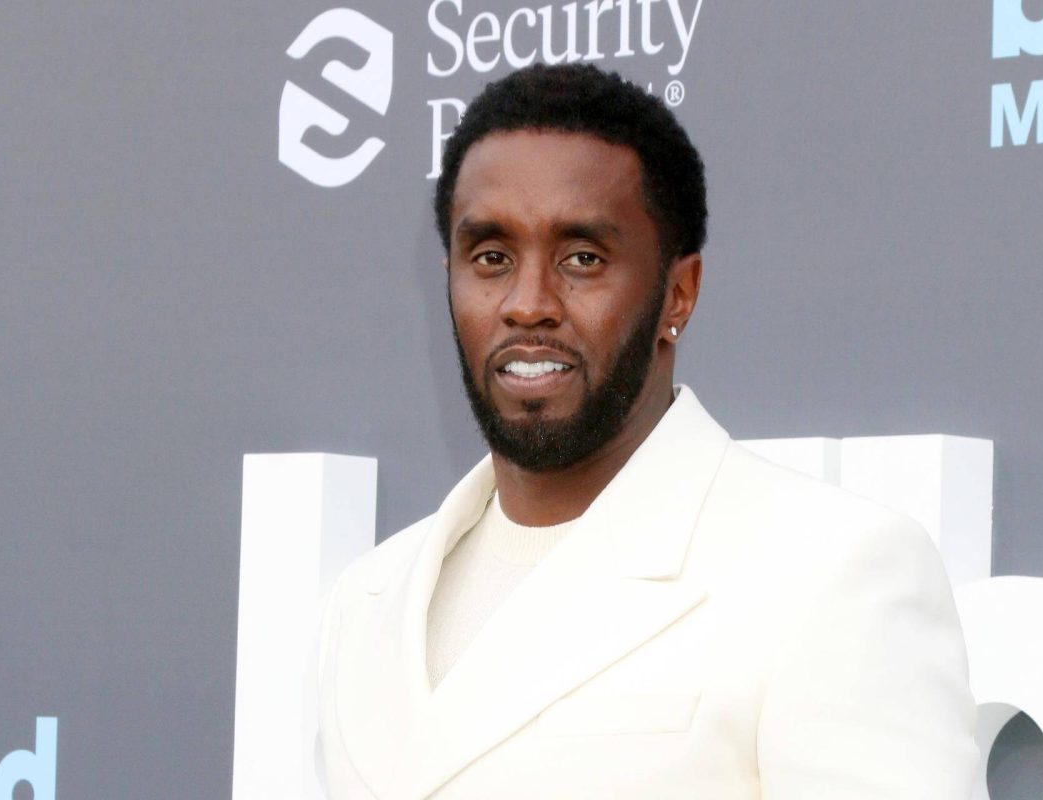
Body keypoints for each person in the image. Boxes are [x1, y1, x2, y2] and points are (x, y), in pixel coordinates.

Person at [316, 63, 977, 799]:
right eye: (492, 258)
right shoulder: (366, 600)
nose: (527, 304)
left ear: (679, 293)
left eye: (582, 259)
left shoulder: (831, 573)